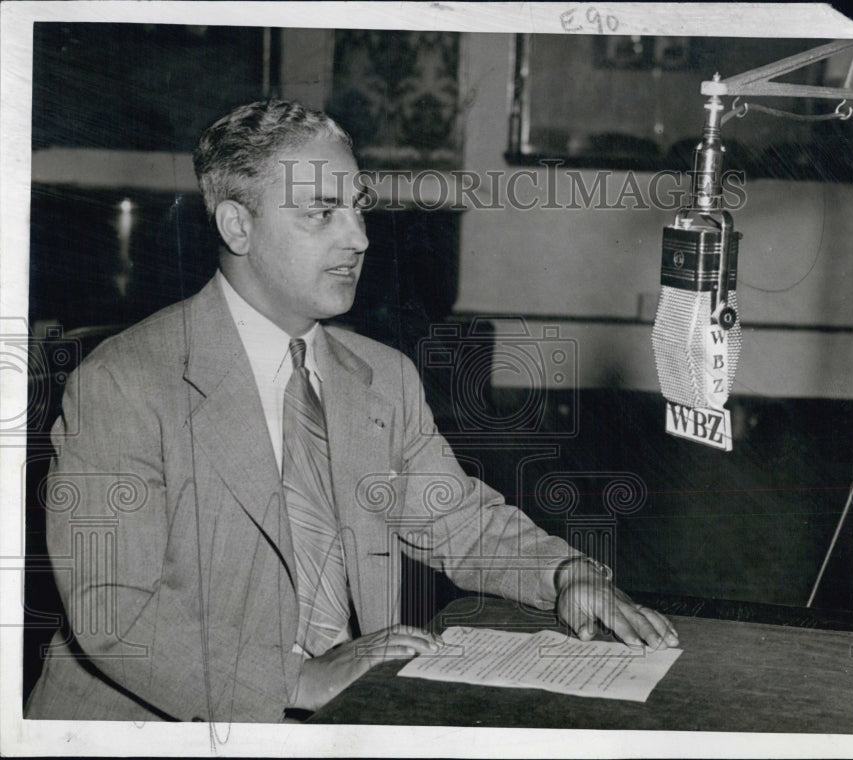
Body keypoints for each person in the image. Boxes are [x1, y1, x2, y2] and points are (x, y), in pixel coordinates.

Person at [25, 100, 678, 723]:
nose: (360, 237)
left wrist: (564, 574)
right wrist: (301, 680)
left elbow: (454, 517)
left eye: (358, 208)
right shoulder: (122, 383)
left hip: (341, 714)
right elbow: (115, 610)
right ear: (237, 225)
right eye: (322, 212)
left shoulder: (382, 377)